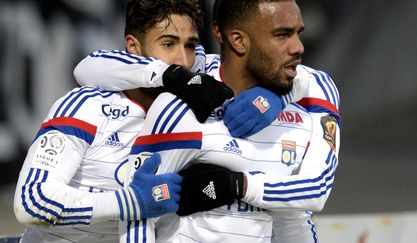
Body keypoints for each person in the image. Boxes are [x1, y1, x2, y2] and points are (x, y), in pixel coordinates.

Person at [114, 0, 341, 242]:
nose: (298, 47)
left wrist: (237, 185)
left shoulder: (311, 98)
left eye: (298, 33)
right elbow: (138, 214)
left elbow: (306, 203)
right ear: (238, 40)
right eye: (282, 35)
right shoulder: (181, 107)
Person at [13, 1, 238, 242]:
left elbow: (258, 69)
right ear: (133, 47)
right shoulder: (87, 107)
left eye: (190, 45)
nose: (183, 60)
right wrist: (129, 202)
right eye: (168, 44)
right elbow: (31, 201)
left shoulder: (199, 90)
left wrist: (268, 101)